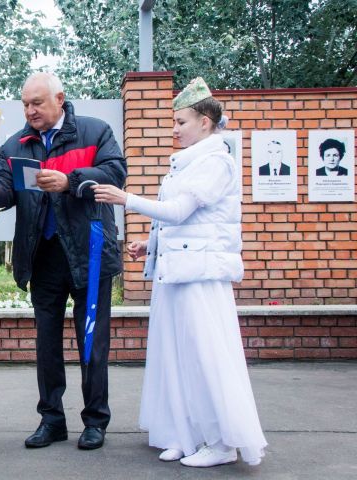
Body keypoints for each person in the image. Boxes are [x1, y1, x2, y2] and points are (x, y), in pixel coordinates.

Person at [92, 77, 267, 467]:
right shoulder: (189, 163)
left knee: (205, 358)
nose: (174, 129)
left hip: (200, 276)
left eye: (182, 122)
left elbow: (178, 212)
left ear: (205, 122)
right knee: (174, 357)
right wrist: (149, 246)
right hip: (178, 271)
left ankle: (222, 443)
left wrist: (126, 199)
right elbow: (177, 225)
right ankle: (184, 435)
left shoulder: (215, 162)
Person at [0, 72, 127, 451]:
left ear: (59, 99)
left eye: (37, 103)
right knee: (46, 343)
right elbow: (3, 189)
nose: (30, 110)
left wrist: (70, 181)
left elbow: (115, 172)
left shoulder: (95, 132)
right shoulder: (15, 144)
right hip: (42, 255)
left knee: (91, 343)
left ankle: (95, 421)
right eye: (25, 104)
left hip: (89, 253)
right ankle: (51, 420)